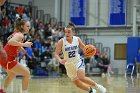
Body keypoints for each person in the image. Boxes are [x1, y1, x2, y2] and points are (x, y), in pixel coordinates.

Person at [55, 22, 106, 93]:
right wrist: (60, 60)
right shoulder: (61, 42)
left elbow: (85, 48)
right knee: (78, 84)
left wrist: (91, 51)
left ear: (73, 32)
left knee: (81, 77)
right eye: (65, 32)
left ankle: (98, 86)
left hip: (78, 61)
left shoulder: (77, 39)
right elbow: (56, 54)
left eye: (69, 32)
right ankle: (91, 91)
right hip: (68, 65)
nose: (66, 34)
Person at [0, 18, 32, 93]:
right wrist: (24, 44)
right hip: (8, 59)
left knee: (12, 75)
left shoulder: (16, 33)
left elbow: (10, 41)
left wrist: (21, 48)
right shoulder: (20, 35)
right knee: (27, 73)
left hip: (3, 58)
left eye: (29, 26)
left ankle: (2, 91)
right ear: (22, 26)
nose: (29, 28)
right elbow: (11, 41)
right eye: (27, 26)